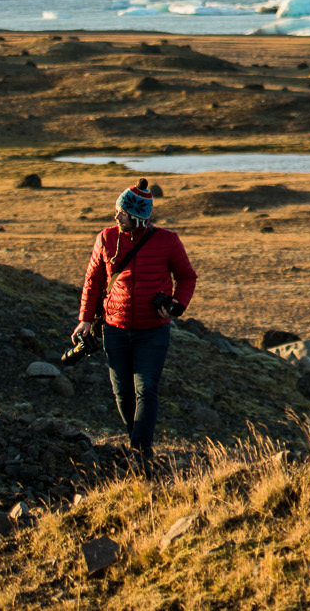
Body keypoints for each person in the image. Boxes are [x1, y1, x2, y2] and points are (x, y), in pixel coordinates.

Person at [73, 178, 197, 463]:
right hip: (114, 329)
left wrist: (177, 305)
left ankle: (140, 453)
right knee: (123, 394)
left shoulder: (168, 241)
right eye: (117, 210)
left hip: (153, 332)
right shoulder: (106, 238)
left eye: (123, 213)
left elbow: (187, 276)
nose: (117, 216)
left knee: (146, 389)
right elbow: (93, 281)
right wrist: (85, 320)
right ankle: (137, 444)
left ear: (139, 219)